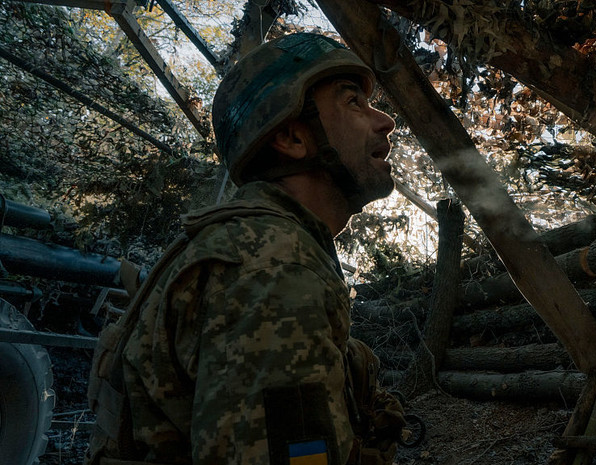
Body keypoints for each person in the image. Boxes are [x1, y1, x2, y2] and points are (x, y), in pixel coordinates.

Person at [85, 33, 404, 465]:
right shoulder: (273, 267)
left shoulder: (257, 244)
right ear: (292, 138)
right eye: (353, 103)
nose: (385, 121)